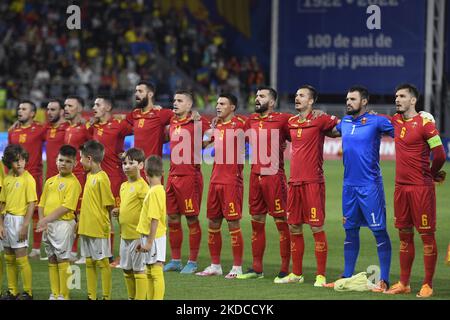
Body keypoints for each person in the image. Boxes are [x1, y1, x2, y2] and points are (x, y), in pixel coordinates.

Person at [325, 86, 394, 292]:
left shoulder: (377, 121)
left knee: (379, 230)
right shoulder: (344, 122)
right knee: (350, 231)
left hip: (370, 186)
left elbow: (404, 133)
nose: (348, 102)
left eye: (352, 99)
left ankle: (384, 279)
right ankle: (346, 276)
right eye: (347, 99)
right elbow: (328, 130)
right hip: (349, 187)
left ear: (364, 101)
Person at [384, 84, 446, 298]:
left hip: (421, 188)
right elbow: (374, 118)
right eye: (396, 96)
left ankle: (428, 284)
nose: (397, 99)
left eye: (402, 96)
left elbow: (439, 154)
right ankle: (404, 283)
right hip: (400, 188)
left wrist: (431, 173)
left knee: (427, 236)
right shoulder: (395, 121)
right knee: (404, 236)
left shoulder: (425, 124)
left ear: (413, 100)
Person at [276, 85, 339, 286]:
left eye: (301, 95)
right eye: (296, 95)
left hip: (313, 182)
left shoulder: (320, 119)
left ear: (311, 101)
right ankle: (297, 273)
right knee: (294, 226)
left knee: (316, 226)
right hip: (294, 182)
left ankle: (320, 275)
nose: (297, 98)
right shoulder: (291, 121)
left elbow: (339, 130)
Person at [237, 86, 292, 282]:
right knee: (256, 224)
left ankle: (285, 268)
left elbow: (299, 131)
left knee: (281, 224)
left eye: (262, 96)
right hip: (255, 177)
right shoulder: (251, 120)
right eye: (256, 95)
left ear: (272, 102)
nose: (257, 98)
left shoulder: (283, 119)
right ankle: (257, 268)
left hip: (274, 177)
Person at [195, 93, 246, 279]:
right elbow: (202, 144)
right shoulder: (216, 126)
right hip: (215, 180)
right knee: (213, 222)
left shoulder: (241, 123)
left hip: (232, 181)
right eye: (217, 103)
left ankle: (237, 267)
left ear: (232, 107)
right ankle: (215, 265)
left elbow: (260, 133)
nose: (218, 106)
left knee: (233, 222)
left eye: (222, 103)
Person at [163, 90, 210, 274]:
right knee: (172, 218)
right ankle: (175, 260)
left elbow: (211, 134)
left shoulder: (197, 121)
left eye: (180, 101)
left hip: (190, 176)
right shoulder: (173, 121)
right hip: (173, 175)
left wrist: (203, 143)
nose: (175, 103)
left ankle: (192, 261)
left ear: (189, 105)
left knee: (191, 218)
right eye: (174, 100)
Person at [90, 96, 133, 267]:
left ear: (107, 107)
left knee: (120, 217)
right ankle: (106, 254)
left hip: (114, 178)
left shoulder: (118, 125)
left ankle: (125, 255)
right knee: (103, 217)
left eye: (98, 104)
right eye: (94, 104)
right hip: (98, 178)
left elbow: (141, 129)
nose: (94, 107)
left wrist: (126, 155)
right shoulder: (93, 126)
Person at [36, 145, 82, 300]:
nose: (63, 163)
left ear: (75, 164)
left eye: (68, 161)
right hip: (48, 225)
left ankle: (64, 294)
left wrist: (44, 220)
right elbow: (41, 203)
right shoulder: (50, 181)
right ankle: (54, 293)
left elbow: (66, 207)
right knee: (52, 259)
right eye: (61, 160)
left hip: (63, 224)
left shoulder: (74, 183)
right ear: (56, 160)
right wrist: (44, 222)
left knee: (63, 259)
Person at [77, 140, 115, 300]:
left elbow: (109, 204)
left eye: (81, 158)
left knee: (102, 263)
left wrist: (110, 226)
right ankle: (91, 296)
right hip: (86, 227)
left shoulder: (102, 178)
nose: (79, 161)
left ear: (89, 158)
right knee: (89, 262)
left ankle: (106, 296)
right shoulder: (89, 176)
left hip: (99, 227)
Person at [8, 100, 46, 260]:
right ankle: (12, 242)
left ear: (32, 113)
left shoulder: (40, 129)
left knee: (36, 211)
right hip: (15, 180)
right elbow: (9, 156)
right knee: (12, 211)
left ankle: (36, 248)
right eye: (19, 108)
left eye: (24, 109)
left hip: (33, 178)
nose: (19, 110)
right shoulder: (12, 132)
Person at [0, 144, 37, 300]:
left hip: (19, 220)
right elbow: (2, 203)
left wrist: (25, 225)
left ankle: (28, 292)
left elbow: (32, 203)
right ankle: (12, 290)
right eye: (15, 160)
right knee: (9, 258)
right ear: (9, 162)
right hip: (7, 219)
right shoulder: (7, 179)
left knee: (21, 258)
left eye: (22, 159)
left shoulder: (28, 179)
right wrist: (1, 225)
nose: (20, 163)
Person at [112, 148, 149, 300]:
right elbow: (129, 207)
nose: (126, 166)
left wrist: (144, 236)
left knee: (139, 270)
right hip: (125, 235)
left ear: (141, 165)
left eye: (131, 163)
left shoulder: (143, 186)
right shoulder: (123, 186)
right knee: (127, 269)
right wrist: (119, 211)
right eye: (124, 163)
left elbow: (147, 212)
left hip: (137, 236)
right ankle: (131, 297)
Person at [63, 95, 92, 264]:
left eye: (70, 105)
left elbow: (94, 148)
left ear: (79, 109)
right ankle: (73, 250)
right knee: (71, 213)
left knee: (81, 214)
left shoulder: (86, 128)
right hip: (70, 177)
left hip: (81, 177)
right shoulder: (68, 128)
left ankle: (85, 252)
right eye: (65, 105)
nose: (66, 108)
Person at [136, 155, 167, 300]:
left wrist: (148, 241)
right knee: (149, 270)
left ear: (145, 173)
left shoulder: (154, 192)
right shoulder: (157, 190)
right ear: (162, 173)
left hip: (154, 237)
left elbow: (154, 219)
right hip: (150, 236)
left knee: (155, 270)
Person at [45, 99, 70, 180]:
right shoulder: (46, 127)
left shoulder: (69, 128)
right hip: (50, 178)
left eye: (53, 110)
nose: (49, 112)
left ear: (61, 111)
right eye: (48, 109)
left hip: (65, 177)